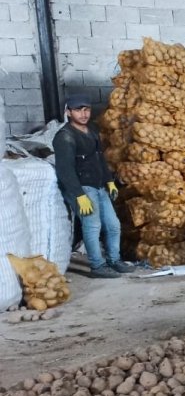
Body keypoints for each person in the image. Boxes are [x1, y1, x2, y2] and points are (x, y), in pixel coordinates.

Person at [52, 95, 133, 278]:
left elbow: (100, 159)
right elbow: (65, 171)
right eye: (78, 110)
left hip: (99, 186)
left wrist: (109, 181)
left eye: (86, 109)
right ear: (68, 112)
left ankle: (114, 259)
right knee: (92, 226)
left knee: (113, 225)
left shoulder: (92, 131)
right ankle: (97, 266)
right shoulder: (65, 137)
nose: (83, 113)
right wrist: (78, 195)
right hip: (83, 189)